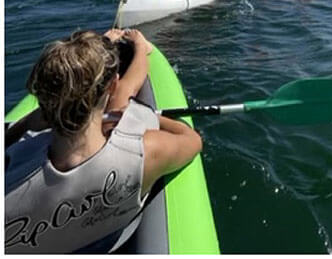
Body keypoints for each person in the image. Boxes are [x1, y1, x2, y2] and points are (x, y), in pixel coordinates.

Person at [5, 29, 202, 254]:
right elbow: (192, 140)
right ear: (111, 85)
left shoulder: (11, 169)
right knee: (121, 101)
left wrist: (23, 125)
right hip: (108, 241)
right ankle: (141, 48)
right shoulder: (144, 153)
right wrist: (148, 116)